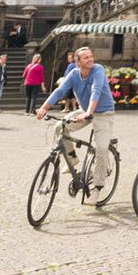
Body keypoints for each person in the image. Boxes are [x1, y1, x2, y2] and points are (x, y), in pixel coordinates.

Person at [36, 45, 117, 199]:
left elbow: (96, 90)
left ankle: (97, 188)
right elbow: (60, 91)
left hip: (104, 113)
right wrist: (44, 108)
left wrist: (88, 113)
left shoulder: (98, 70)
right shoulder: (74, 74)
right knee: (60, 127)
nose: (90, 59)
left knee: (101, 148)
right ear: (78, 62)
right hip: (85, 110)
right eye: (86, 57)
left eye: (91, 56)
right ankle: (72, 159)